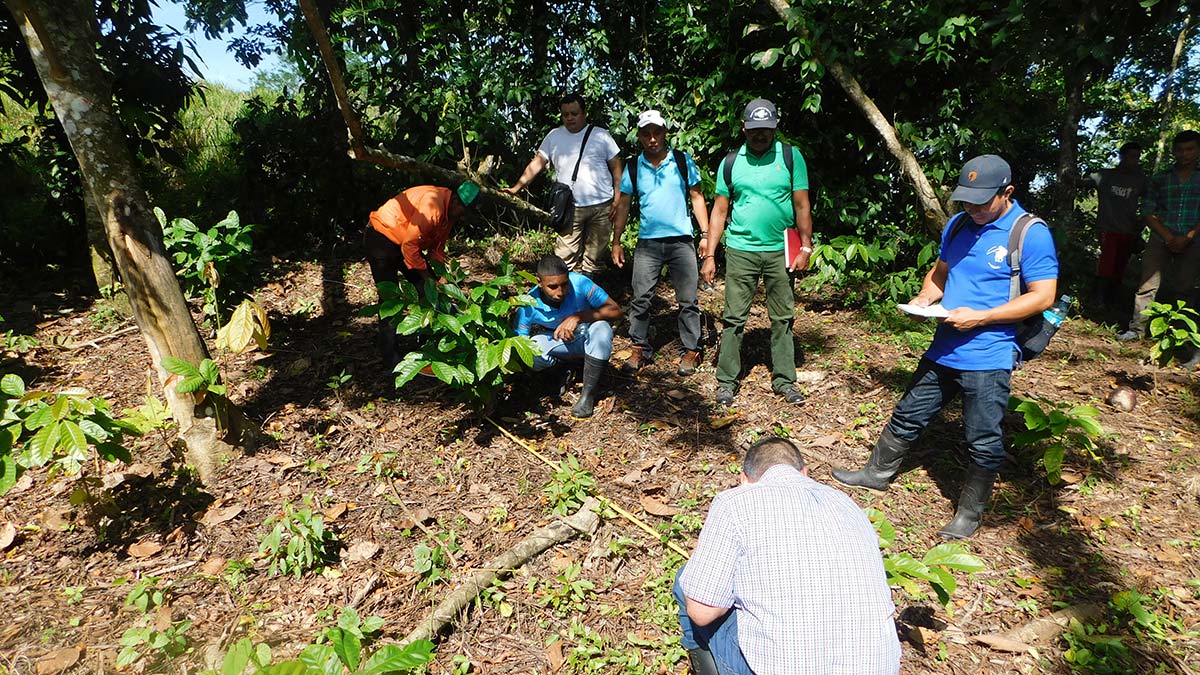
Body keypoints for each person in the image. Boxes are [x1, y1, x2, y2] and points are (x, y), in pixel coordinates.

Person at [832, 155, 1058, 539]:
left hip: (990, 352)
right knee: (909, 412)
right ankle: (877, 473)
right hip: (945, 346)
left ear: (1008, 193)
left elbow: (1043, 297)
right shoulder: (958, 224)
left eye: (982, 201)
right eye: (967, 200)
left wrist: (982, 317)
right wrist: (923, 300)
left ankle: (970, 513)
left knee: (983, 437)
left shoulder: (1029, 233)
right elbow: (940, 273)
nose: (973, 208)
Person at [675, 436, 900, 675]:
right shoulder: (847, 504)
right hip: (876, 667)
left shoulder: (735, 502)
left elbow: (702, 612)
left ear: (744, 480)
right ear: (804, 473)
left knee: (686, 582)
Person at [702, 98, 812, 407]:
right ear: (743, 129)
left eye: (765, 130)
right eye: (754, 131)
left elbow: (802, 203)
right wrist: (710, 254)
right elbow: (720, 211)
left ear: (775, 127)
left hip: (781, 249)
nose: (760, 136)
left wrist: (805, 245)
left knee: (783, 317)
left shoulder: (791, 157)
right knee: (734, 318)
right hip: (741, 250)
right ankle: (726, 382)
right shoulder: (731, 162)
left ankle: (785, 380)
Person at [610, 109, 710, 376]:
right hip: (648, 243)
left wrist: (706, 235)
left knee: (688, 299)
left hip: (680, 240)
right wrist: (616, 241)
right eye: (646, 134)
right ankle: (639, 347)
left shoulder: (681, 160)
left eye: (657, 133)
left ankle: (691, 349)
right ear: (640, 136)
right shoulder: (633, 165)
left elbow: (697, 197)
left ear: (665, 133)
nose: (652, 138)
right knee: (641, 298)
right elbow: (624, 205)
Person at [504, 93, 623, 276]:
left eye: (574, 113)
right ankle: (562, 297)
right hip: (569, 207)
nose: (570, 118)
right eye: (565, 114)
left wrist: (617, 197)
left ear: (584, 113)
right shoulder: (554, 136)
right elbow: (537, 164)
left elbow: (616, 167)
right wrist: (516, 188)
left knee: (594, 260)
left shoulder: (601, 135)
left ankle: (590, 296)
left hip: (602, 206)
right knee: (564, 259)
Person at [364, 181, 480, 367]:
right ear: (457, 201)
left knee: (429, 291)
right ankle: (390, 357)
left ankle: (431, 343)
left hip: (405, 243)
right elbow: (409, 247)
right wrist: (428, 279)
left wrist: (440, 280)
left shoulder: (449, 215)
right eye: (463, 212)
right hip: (381, 238)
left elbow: (437, 250)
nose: (463, 217)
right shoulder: (432, 206)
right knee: (389, 300)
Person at [514, 254, 621, 418]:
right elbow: (519, 341)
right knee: (531, 349)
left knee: (602, 328)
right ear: (539, 282)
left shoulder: (580, 283)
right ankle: (560, 371)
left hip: (585, 336)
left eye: (564, 284)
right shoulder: (528, 304)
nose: (560, 292)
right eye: (553, 287)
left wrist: (578, 317)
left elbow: (615, 310)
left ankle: (588, 395)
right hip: (559, 343)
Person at [1118, 130, 1200, 341]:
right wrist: (1169, 237)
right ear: (1174, 151)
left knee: (1185, 287)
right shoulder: (1161, 178)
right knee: (1147, 285)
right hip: (1160, 237)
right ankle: (1137, 330)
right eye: (1180, 150)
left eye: (1190, 149)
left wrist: (1189, 236)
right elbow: (1147, 210)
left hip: (1193, 239)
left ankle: (1179, 336)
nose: (1185, 154)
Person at [1082, 142, 1147, 307]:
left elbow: (1151, 201)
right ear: (1122, 156)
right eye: (1131, 156)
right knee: (1106, 264)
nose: (1134, 161)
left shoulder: (1140, 180)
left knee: (1120, 267)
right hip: (1108, 228)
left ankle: (1111, 301)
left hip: (1128, 230)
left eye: (1137, 157)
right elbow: (1079, 181)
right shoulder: (1105, 176)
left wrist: (1141, 223)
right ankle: (1098, 300)